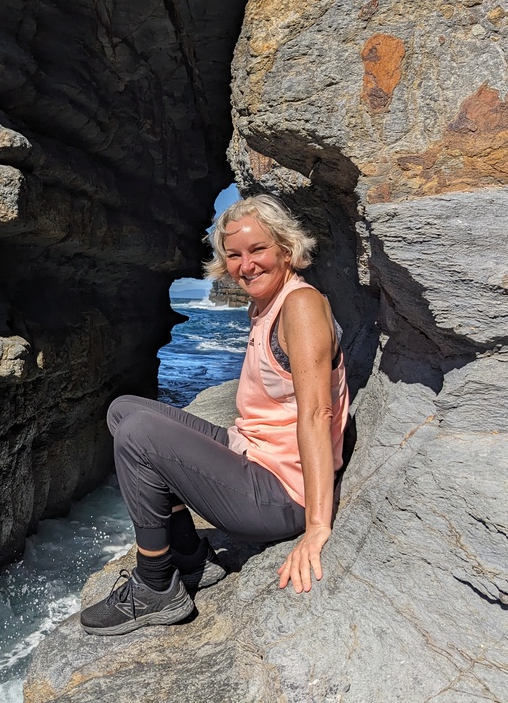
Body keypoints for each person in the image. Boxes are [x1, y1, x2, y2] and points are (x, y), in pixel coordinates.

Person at [80, 194, 350, 636]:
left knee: (139, 434)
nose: (247, 265)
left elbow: (317, 413)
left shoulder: (300, 307)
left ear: (286, 247)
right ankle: (189, 557)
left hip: (281, 494)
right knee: (124, 410)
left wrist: (317, 527)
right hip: (252, 455)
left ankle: (154, 586)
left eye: (258, 250)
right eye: (235, 255)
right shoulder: (264, 304)